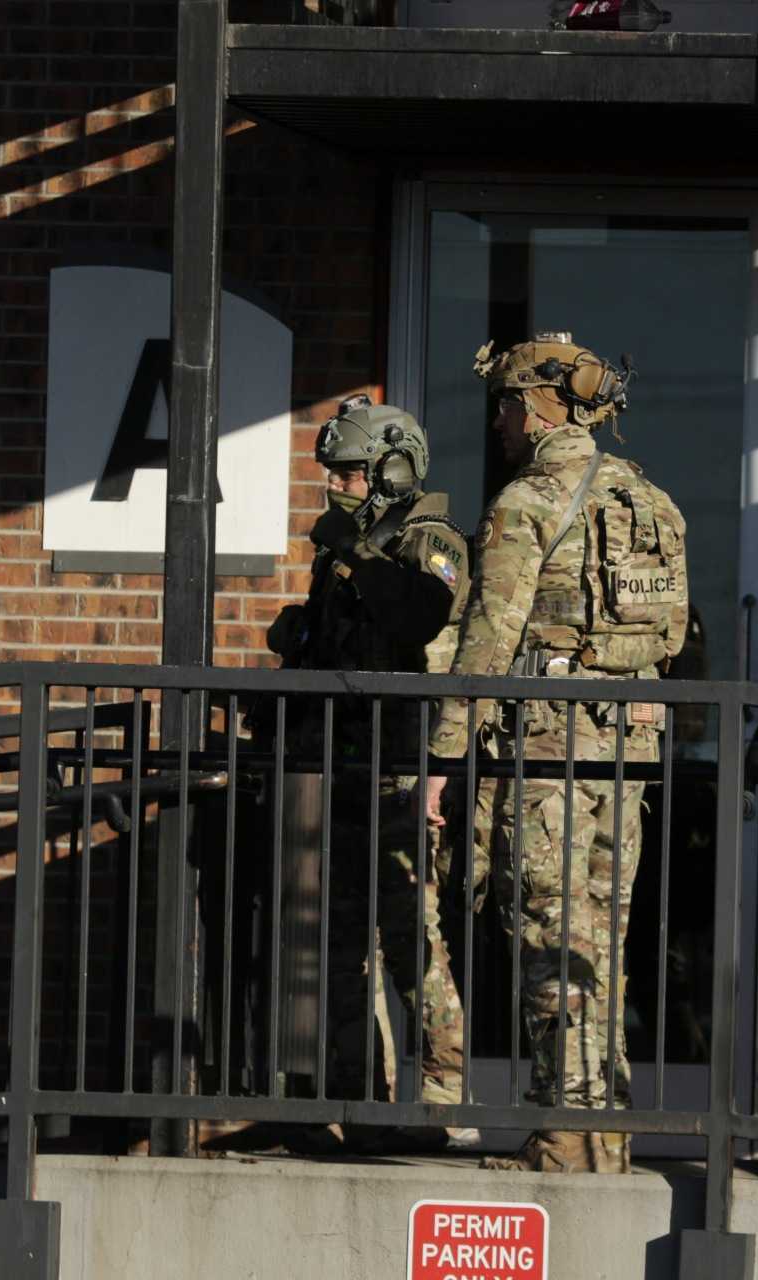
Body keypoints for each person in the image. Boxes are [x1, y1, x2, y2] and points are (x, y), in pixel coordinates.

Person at [423, 334, 688, 1174]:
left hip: (550, 744)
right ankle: (602, 1132)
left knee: (550, 930)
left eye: (505, 404)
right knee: (602, 937)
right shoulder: (649, 499)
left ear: (538, 407)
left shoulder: (528, 501)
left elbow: (488, 640)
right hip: (633, 741)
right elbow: (677, 637)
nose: (498, 421)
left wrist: (443, 757)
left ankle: (565, 1139)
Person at [262, 395, 475, 1149]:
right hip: (341, 771)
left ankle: (443, 1105)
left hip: (405, 773)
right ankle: (358, 1105)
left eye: (351, 474)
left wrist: (354, 552)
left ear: (393, 469)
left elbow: (421, 615)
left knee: (411, 940)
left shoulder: (430, 540)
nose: (338, 486)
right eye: (334, 474)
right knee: (340, 941)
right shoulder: (346, 548)